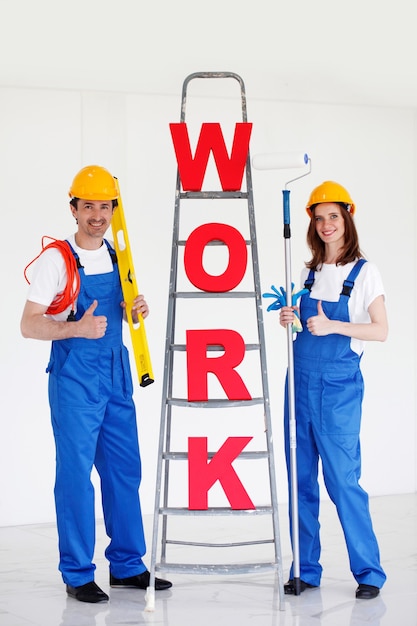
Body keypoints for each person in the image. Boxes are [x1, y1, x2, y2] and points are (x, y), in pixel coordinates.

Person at [20, 165, 172, 603]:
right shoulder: (56, 261)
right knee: (75, 478)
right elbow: (29, 325)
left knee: (124, 471)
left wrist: (133, 310)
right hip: (74, 380)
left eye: (104, 206)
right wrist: (74, 329)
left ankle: (126, 566)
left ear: (112, 209)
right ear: (74, 209)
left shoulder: (117, 255)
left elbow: (119, 314)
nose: (97, 215)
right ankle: (77, 572)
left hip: (116, 376)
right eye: (88, 206)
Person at [279, 181, 388, 600]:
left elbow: (381, 330)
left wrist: (334, 325)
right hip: (299, 384)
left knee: (343, 481)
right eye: (319, 217)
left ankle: (369, 572)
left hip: (338, 389)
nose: (327, 225)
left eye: (334, 217)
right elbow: (299, 324)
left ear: (347, 220)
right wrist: (289, 317)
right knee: (300, 480)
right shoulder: (307, 272)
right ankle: (305, 569)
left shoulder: (365, 272)